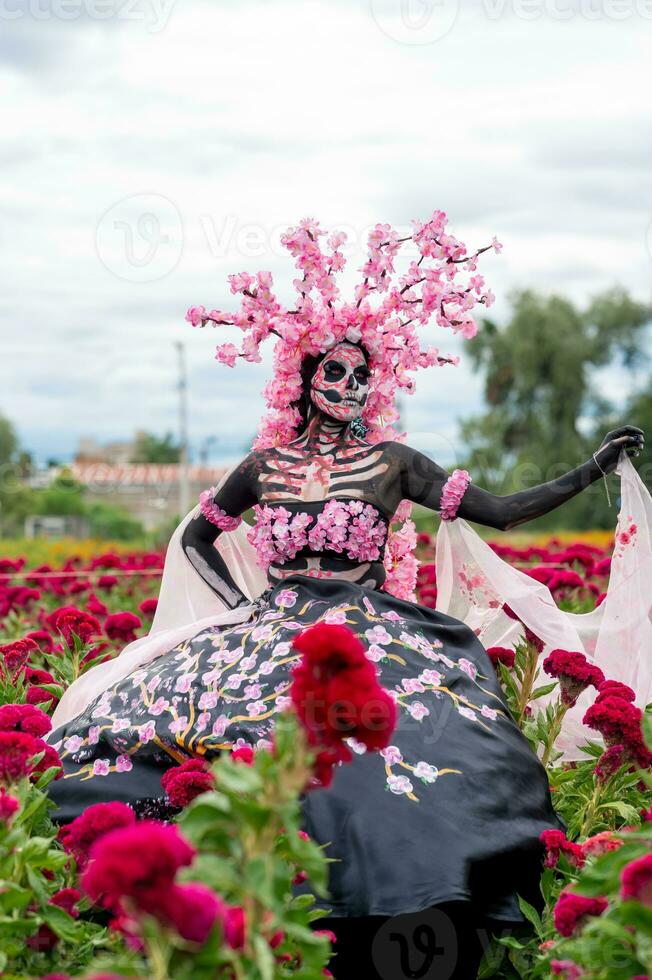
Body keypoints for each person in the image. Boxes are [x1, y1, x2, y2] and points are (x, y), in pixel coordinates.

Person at [48, 216, 647, 979]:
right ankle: (240, 901)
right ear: (305, 379)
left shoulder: (393, 462)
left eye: (362, 376)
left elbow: (502, 510)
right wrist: (241, 605)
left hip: (375, 628)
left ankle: (401, 909)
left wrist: (589, 470)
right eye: (335, 373)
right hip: (274, 626)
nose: (349, 387)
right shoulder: (263, 465)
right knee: (197, 734)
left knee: (427, 742)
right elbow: (197, 535)